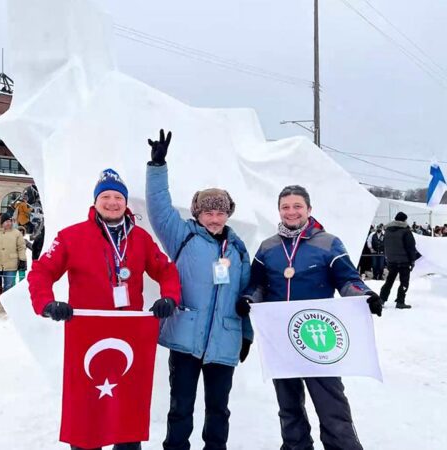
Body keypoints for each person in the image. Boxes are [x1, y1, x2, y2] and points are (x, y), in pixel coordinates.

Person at [27, 168, 182, 450]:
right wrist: (47, 304)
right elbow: (41, 272)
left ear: (125, 202)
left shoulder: (141, 239)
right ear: (96, 202)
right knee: (87, 414)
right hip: (87, 338)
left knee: (127, 414)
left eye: (118, 197)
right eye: (106, 196)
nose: (112, 202)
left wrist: (169, 297)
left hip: (129, 340)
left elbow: (167, 270)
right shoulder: (71, 236)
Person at [239, 185, 382, 450]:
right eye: (285, 207)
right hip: (280, 337)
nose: (291, 212)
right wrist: (249, 299)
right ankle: (296, 446)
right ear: (279, 211)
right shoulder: (268, 247)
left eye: (297, 206)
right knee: (288, 403)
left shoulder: (327, 243)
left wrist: (364, 295)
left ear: (309, 209)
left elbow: (348, 279)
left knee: (330, 402)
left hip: (317, 336)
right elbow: (257, 285)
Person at [144, 129, 253, 450]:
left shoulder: (238, 247)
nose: (215, 218)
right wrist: (157, 167)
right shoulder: (183, 236)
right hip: (185, 338)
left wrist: (246, 334)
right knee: (181, 407)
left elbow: (245, 295)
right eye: (208, 212)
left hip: (226, 338)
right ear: (197, 214)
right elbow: (159, 208)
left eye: (220, 212)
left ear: (228, 214)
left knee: (219, 409)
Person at [380, 211, 418, 309]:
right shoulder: (406, 231)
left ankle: (382, 299)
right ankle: (400, 301)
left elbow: (385, 245)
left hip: (391, 260)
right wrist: (412, 260)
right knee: (404, 282)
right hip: (404, 261)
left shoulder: (387, 231)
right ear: (404, 220)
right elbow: (411, 247)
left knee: (389, 281)